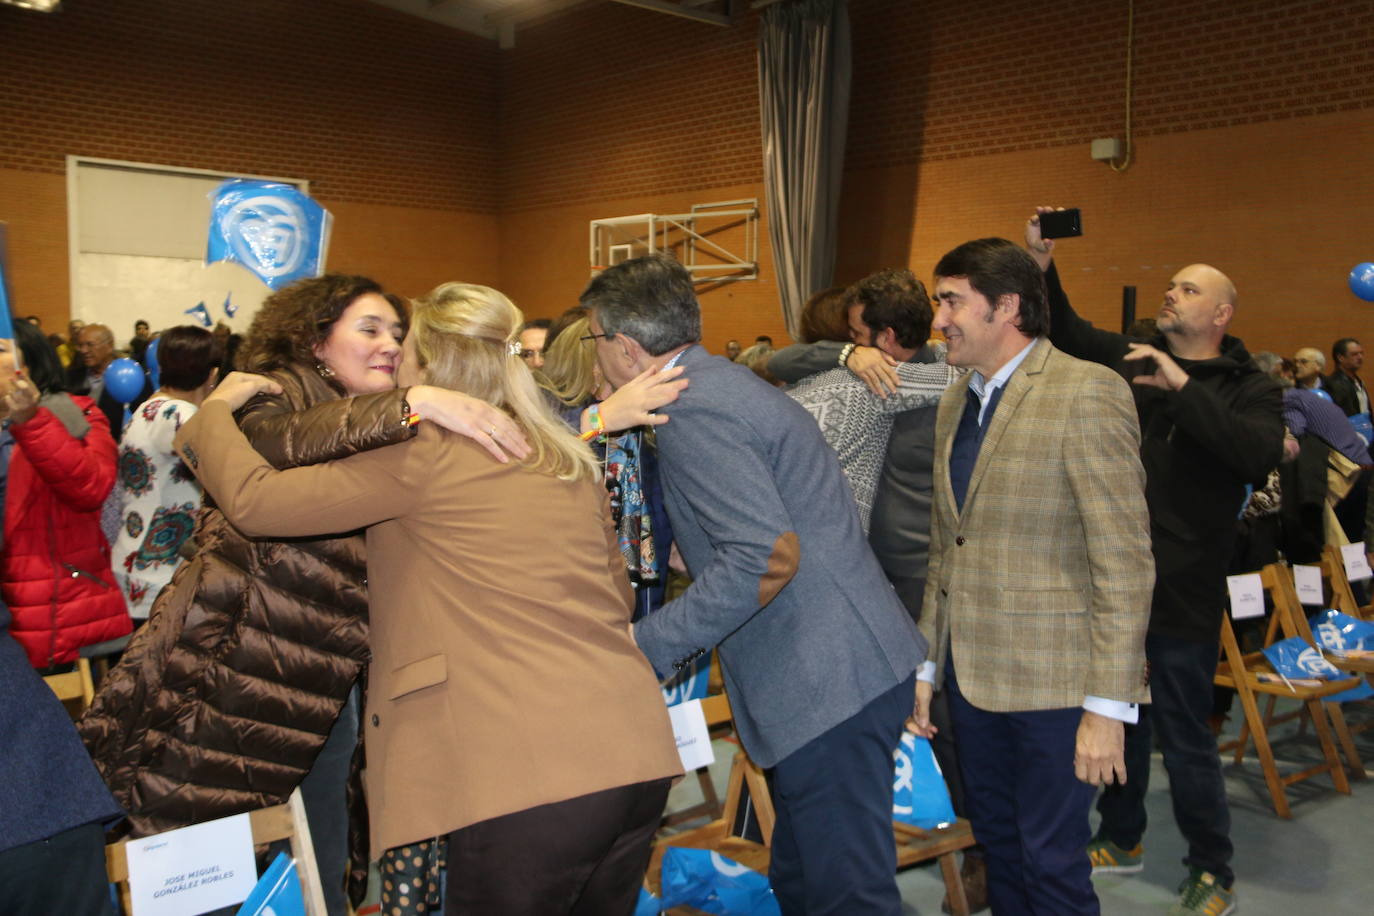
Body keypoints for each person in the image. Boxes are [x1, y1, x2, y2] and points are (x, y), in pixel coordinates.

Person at [175, 281, 683, 916]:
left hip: (525, 777)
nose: (392, 355)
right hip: (633, 755)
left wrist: (210, 415)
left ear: (431, 366)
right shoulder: (560, 455)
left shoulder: (423, 454)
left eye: (404, 344)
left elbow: (253, 502)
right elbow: (613, 595)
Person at [79, 274, 526, 915]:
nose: (390, 346)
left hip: (319, 670)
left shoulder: (389, 409)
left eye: (397, 334)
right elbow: (278, 443)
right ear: (315, 340)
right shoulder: (273, 392)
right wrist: (413, 402)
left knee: (312, 840)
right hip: (232, 664)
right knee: (202, 839)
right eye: (368, 329)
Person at [581, 253, 926, 915]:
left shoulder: (694, 408)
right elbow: (767, 523)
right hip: (838, 667)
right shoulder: (717, 384)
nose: (594, 355)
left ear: (624, 347)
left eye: (594, 338)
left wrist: (642, 648)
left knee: (843, 894)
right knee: (807, 882)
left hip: (828, 678)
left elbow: (764, 558)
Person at [1025, 207, 1284, 916]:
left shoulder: (1248, 384)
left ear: (1221, 313)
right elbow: (1070, 334)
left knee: (1182, 731)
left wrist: (1181, 385)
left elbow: (1257, 453)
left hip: (1184, 587)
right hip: (1114, 583)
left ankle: (1213, 868)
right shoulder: (1131, 361)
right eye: (1171, 285)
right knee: (1118, 715)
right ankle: (1122, 832)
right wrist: (1045, 269)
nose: (1172, 294)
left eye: (1188, 290)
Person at [909, 238, 1153, 915]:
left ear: (1007, 306)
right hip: (971, 682)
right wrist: (926, 670)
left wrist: (1109, 707)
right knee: (1002, 849)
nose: (940, 320)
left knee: (1052, 867)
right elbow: (944, 550)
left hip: (1057, 689)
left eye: (952, 300)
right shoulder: (957, 400)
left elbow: (1125, 562)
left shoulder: (1087, 391)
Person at [785, 270, 959, 533]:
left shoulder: (942, 382)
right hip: (861, 552)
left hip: (913, 562)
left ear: (887, 337)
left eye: (856, 334)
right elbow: (778, 362)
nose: (852, 341)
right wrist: (848, 353)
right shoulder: (853, 378)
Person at [1, 320, 129, 670]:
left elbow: (90, 488)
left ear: (27, 366)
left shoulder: (75, 413)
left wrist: (31, 420)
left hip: (41, 605)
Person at [110, 326, 222, 622]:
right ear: (212, 375)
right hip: (160, 571)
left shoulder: (148, 408)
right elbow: (227, 473)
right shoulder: (179, 415)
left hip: (136, 558)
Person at [66, 322, 151, 442]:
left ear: (109, 345)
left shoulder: (131, 376)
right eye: (80, 345)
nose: (84, 350)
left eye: (90, 345)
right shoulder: (71, 377)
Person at [1325, 337, 1367, 417]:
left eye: (1361, 353)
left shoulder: (1358, 381)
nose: (1360, 357)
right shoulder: (1334, 385)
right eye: (1354, 354)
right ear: (1340, 358)